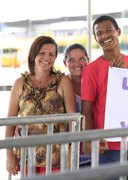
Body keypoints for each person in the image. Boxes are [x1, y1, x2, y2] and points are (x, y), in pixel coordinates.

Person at [81, 15, 128, 170]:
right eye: (99, 33)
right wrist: (90, 141)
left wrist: (124, 75)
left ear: (118, 31)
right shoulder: (91, 70)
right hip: (107, 143)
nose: (104, 36)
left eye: (108, 30)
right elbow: (86, 111)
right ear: (96, 39)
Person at [5, 35, 76, 176]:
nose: (47, 58)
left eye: (51, 54)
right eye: (42, 53)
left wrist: (69, 150)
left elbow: (72, 120)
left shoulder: (63, 82)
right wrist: (9, 155)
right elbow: (10, 122)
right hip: (26, 154)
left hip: (55, 155)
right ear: (33, 55)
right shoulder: (20, 83)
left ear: (55, 58)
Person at [63, 43, 91, 167]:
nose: (77, 64)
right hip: (67, 154)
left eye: (81, 59)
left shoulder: (96, 83)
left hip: (93, 152)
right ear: (65, 63)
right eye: (71, 60)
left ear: (88, 60)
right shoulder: (59, 86)